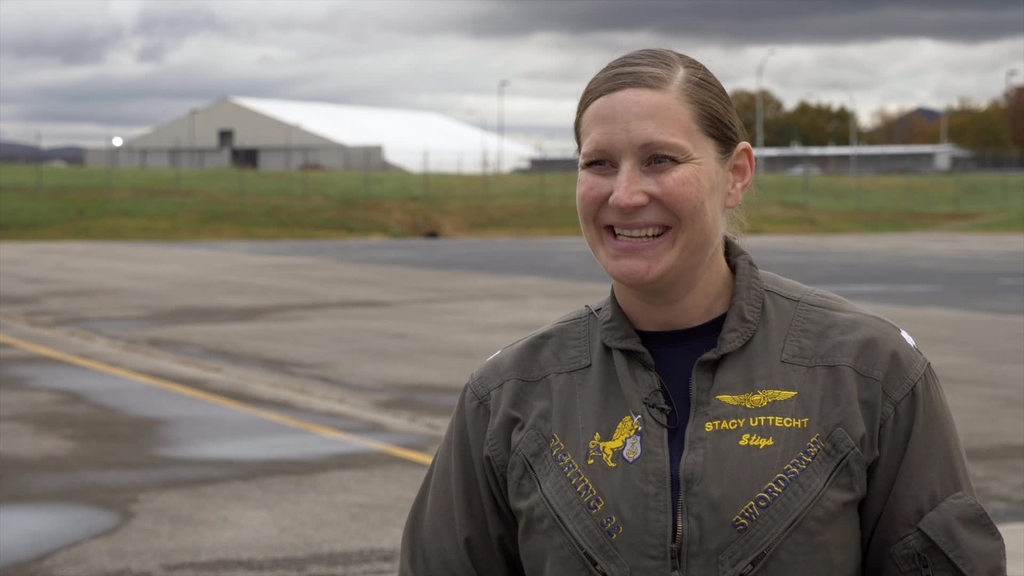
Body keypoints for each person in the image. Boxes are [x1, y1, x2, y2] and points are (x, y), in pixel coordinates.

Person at [399, 48, 1005, 575]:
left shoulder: (871, 373)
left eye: (661, 159)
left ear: (736, 174)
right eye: (598, 163)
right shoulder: (507, 397)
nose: (626, 194)